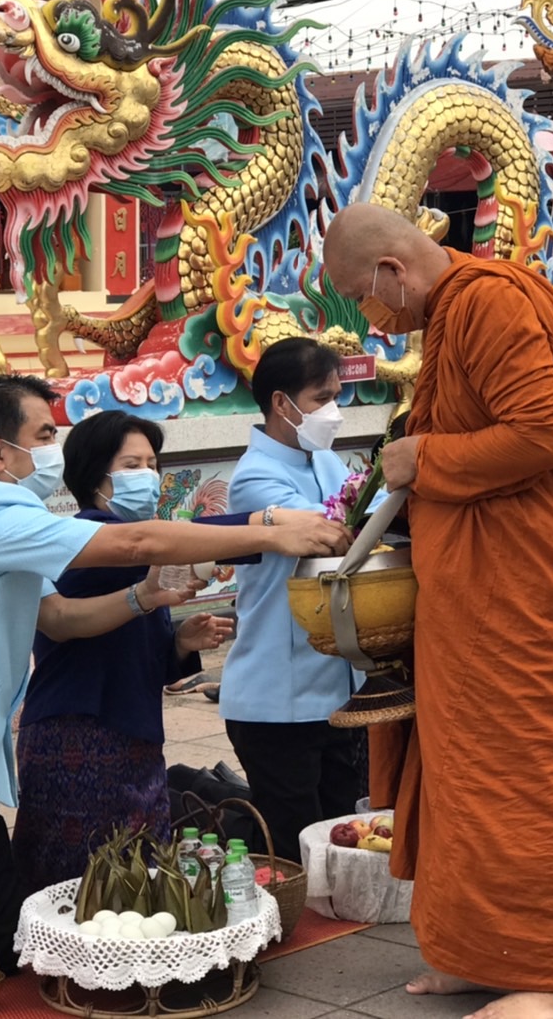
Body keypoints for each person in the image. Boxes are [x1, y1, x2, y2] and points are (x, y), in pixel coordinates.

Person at [0, 374, 350, 996]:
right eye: (44, 433)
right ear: (0, 453)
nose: (55, 446)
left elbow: (59, 618)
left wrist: (143, 599)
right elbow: (134, 539)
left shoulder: (9, 522)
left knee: (8, 947)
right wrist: (268, 528)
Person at [324, 203, 553, 1019]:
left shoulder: (490, 301)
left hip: (526, 591)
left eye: (363, 297)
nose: (371, 317)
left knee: (522, 778)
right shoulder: (452, 314)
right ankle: (479, 953)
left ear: (391, 271)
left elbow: (541, 437)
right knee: (462, 777)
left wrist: (424, 456)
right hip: (478, 590)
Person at [13, 409, 311, 892]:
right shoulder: (93, 539)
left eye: (152, 464)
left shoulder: (138, 554)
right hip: (79, 735)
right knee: (83, 878)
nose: (148, 477)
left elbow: (129, 647)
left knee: (137, 873)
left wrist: (178, 645)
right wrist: (270, 524)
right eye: (132, 465)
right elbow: (143, 555)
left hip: (133, 734)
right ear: (96, 476)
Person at [220, 337, 378, 864]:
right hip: (278, 697)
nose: (333, 411)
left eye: (337, 396)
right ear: (282, 404)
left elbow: (362, 515)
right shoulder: (254, 479)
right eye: (320, 399)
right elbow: (331, 536)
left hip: (339, 684)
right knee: (294, 844)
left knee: (345, 833)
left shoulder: (327, 461)